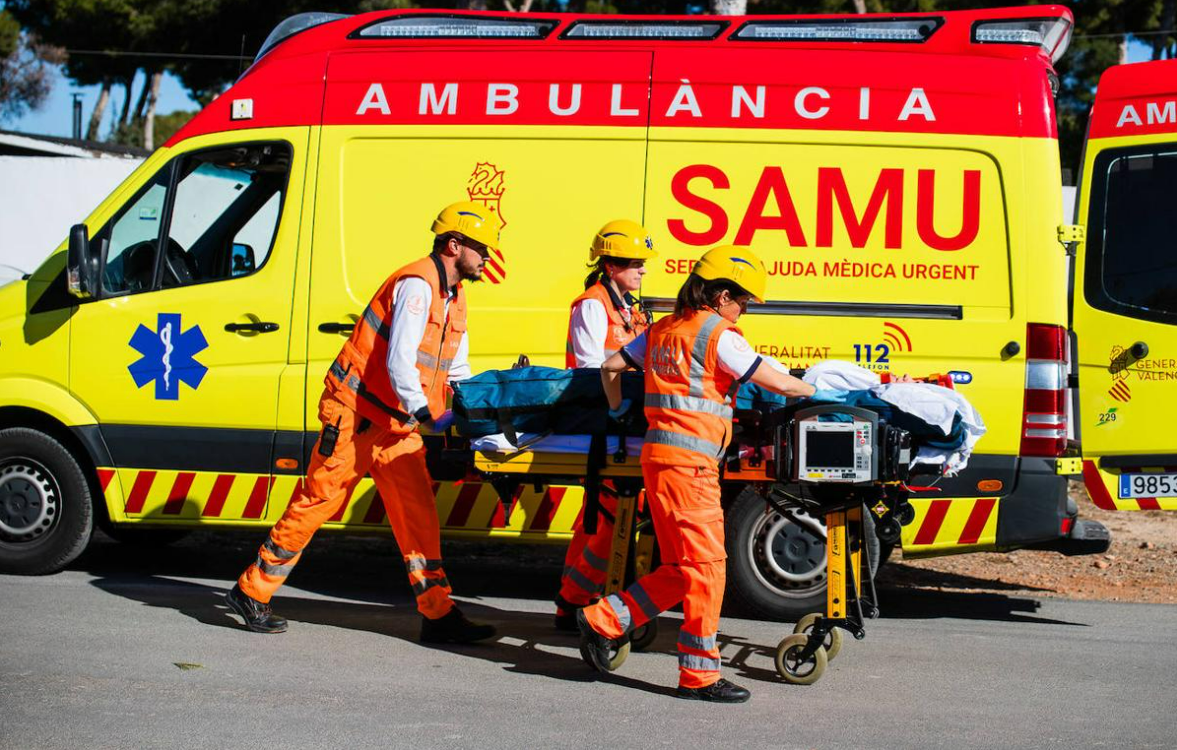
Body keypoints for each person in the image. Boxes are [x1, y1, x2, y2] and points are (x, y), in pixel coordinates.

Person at [224, 201, 500, 645]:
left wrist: (471, 407)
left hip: (395, 422)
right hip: (356, 412)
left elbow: (455, 366)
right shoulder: (417, 285)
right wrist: (429, 414)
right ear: (455, 245)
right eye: (482, 248)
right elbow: (399, 362)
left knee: (419, 514)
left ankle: (437, 611)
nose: (488, 257)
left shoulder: (455, 297)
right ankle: (251, 591)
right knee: (319, 501)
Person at [576, 245, 817, 703]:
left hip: (659, 461)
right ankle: (699, 676)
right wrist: (818, 389)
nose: (744, 309)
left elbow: (610, 366)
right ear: (722, 293)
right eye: (743, 300)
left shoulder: (663, 327)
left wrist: (618, 410)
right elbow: (779, 383)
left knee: (681, 568)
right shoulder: (719, 333)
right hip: (691, 469)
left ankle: (604, 620)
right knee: (708, 568)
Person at [554, 219, 655, 631]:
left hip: (620, 420)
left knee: (597, 516)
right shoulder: (592, 304)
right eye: (635, 263)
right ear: (610, 266)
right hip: (602, 419)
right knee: (603, 517)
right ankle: (573, 600)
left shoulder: (629, 307)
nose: (643, 270)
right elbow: (589, 367)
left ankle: (573, 601)